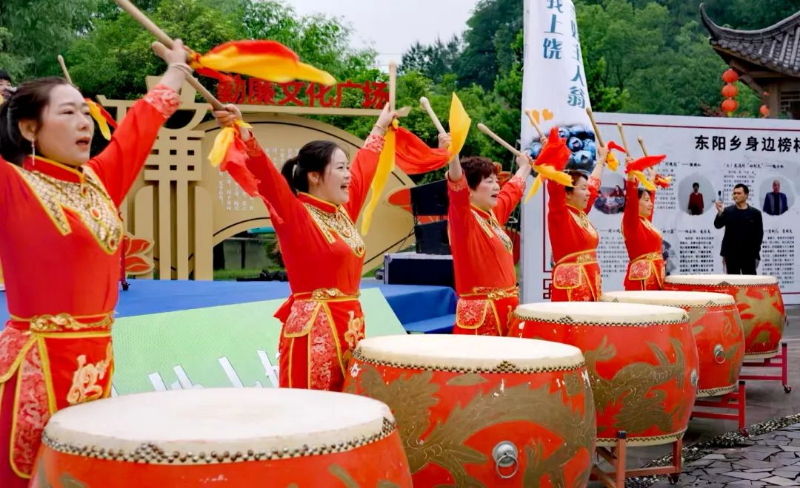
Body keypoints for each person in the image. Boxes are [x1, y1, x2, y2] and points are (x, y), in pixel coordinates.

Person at [0, 42, 189, 485]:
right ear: (29, 128)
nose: (84, 121)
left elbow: (140, 126)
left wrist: (176, 71)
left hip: (96, 361)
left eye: (85, 112)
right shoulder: (13, 185)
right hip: (38, 366)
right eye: (67, 113)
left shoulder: (99, 182)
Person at [213, 103, 395, 392]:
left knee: (348, 406)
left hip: (350, 328)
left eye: (346, 168)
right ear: (314, 176)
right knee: (315, 408)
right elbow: (268, 179)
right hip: (314, 333)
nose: (348, 175)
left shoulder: (342, 213)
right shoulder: (296, 215)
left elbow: (364, 170)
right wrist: (242, 131)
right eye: (340, 168)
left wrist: (380, 127)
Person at [445, 133, 532, 336]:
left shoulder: (492, 215)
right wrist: (453, 155)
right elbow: (457, 189)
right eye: (489, 181)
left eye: (496, 181)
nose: (496, 186)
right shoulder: (463, 220)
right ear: (469, 189)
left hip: (507, 312)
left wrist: (525, 167)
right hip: (482, 317)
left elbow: (511, 191)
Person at [547, 145, 609, 301]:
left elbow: (593, 187)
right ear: (567, 194)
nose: (588, 193)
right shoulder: (560, 215)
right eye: (583, 189)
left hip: (591, 283)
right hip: (571, 288)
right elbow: (555, 188)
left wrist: (601, 160)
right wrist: (554, 158)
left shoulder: (580, 213)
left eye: (586, 188)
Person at [622, 168, 664, 290]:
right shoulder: (631, 223)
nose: (651, 204)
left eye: (650, 200)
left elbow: (651, 198)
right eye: (646, 200)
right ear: (636, 203)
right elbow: (631, 200)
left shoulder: (645, 222)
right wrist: (631, 178)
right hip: (641, 280)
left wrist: (651, 179)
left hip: (656, 275)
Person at [714, 184, 763, 275]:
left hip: (749, 255)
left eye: (739, 193)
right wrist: (720, 212)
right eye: (734, 193)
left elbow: (759, 235)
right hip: (731, 254)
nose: (735, 195)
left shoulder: (755, 213)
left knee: (749, 281)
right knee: (732, 281)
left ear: (746, 195)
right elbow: (717, 225)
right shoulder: (727, 211)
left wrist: (755, 252)